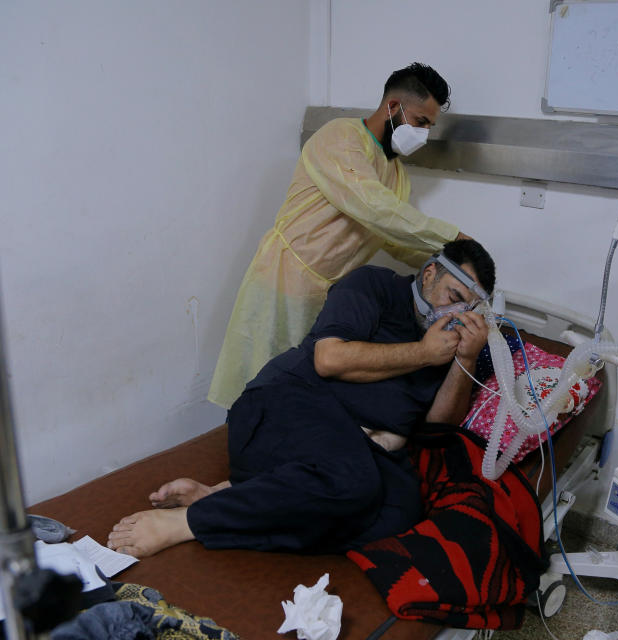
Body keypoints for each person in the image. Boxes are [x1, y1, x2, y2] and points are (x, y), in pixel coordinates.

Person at [108, 239, 495, 558]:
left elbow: (437, 428)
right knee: (354, 484)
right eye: (452, 295)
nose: (455, 311)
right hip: (287, 405)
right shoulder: (374, 286)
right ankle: (187, 523)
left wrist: (465, 357)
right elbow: (328, 359)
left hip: (348, 450)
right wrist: (423, 353)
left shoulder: (456, 344)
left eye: (466, 306)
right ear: (429, 274)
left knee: (400, 515)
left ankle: (224, 495)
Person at [208, 62, 472, 409]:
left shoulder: (396, 175)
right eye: (420, 122)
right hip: (284, 280)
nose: (423, 134)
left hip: (326, 294)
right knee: (256, 389)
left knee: (298, 396)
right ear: (392, 106)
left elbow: (390, 237)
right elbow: (373, 207)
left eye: (429, 127)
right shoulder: (340, 138)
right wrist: (454, 239)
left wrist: (445, 268)